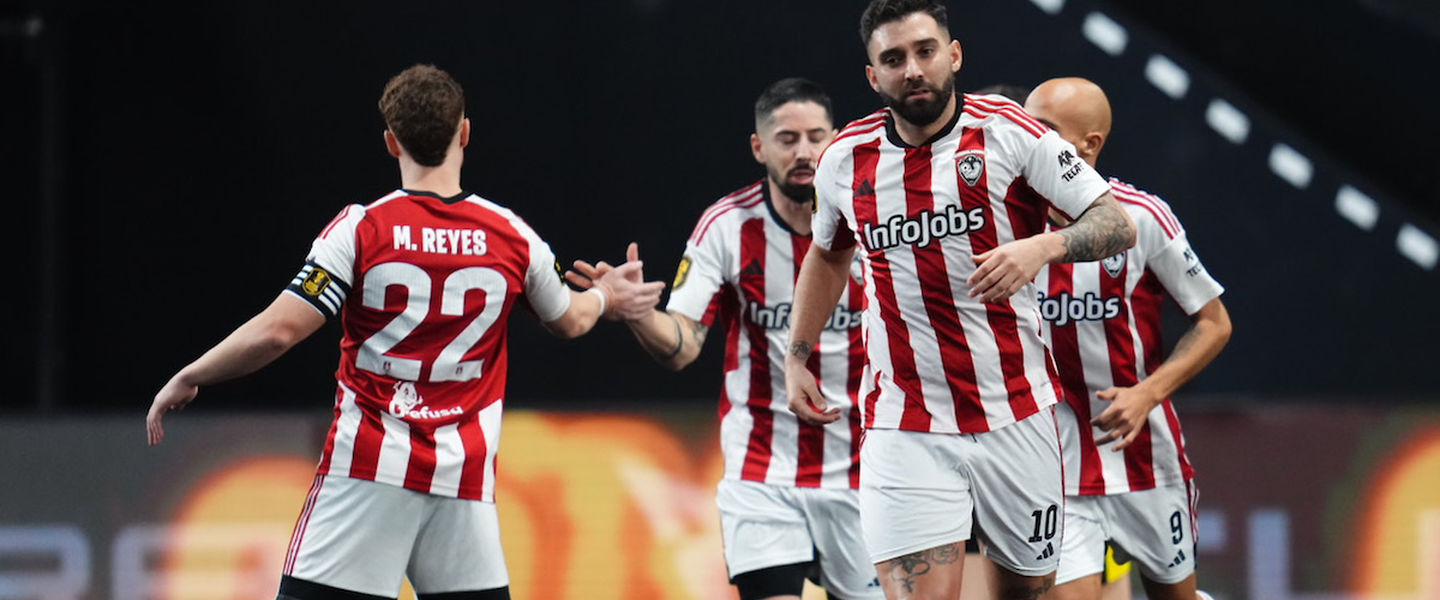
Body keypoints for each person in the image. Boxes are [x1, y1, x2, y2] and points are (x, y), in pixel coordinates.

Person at [145, 64, 664, 600]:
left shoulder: (361, 229)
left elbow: (278, 332)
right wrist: (608, 296)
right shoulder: (512, 236)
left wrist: (191, 373)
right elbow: (572, 320)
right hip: (462, 481)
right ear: (465, 132)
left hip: (367, 470)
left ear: (391, 142)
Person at [784, 1, 1139, 598]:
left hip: (1016, 409)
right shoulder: (844, 159)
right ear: (874, 77)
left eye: (925, 50)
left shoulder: (1013, 132)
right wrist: (797, 354)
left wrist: (1042, 247)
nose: (913, 69)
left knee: (1028, 588)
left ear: (954, 54)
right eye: (893, 59)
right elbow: (828, 253)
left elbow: (1116, 223)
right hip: (904, 420)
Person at [567, 78, 883, 600]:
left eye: (815, 137)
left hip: (863, 471)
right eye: (786, 139)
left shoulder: (871, 221)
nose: (803, 152)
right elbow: (684, 343)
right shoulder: (727, 226)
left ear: (837, 141)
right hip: (761, 471)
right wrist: (634, 312)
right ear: (759, 147)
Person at [1024, 77, 1229, 600]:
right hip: (1054, 470)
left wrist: (1147, 394)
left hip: (1145, 459)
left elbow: (1214, 323)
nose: (1027, 141)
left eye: (1043, 131)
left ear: (1088, 145)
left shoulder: (1142, 217)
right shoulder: (1005, 227)